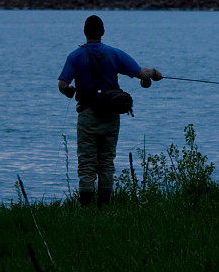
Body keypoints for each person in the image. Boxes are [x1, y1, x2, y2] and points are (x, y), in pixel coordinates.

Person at [58, 15, 162, 207]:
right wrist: (155, 74)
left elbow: (62, 85)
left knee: (87, 163)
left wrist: (69, 92)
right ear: (102, 32)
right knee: (106, 162)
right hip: (111, 116)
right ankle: (104, 207)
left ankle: (86, 209)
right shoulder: (114, 54)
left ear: (85, 32)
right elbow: (141, 72)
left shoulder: (75, 56)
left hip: (87, 115)